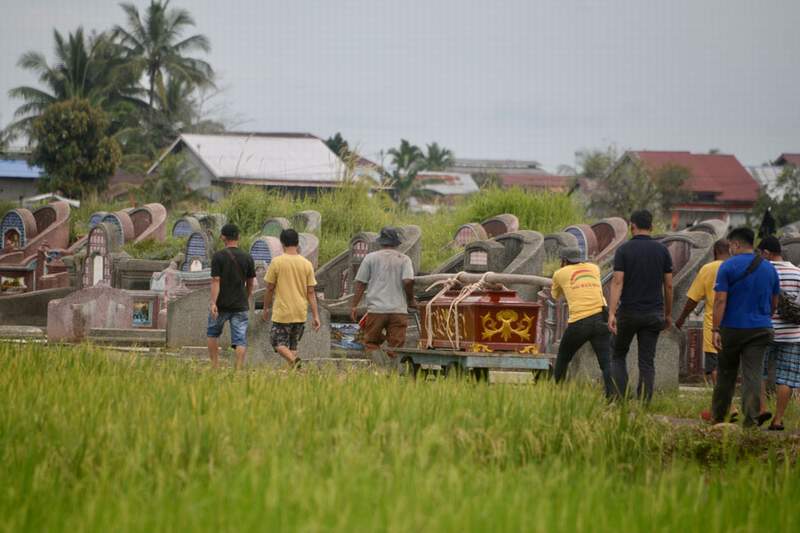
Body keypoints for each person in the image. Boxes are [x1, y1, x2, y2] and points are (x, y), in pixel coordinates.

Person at [710, 227, 780, 427]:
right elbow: (774, 302)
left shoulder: (727, 266)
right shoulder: (769, 268)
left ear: (736, 244)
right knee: (753, 374)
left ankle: (719, 416)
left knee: (726, 373)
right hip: (760, 329)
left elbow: (720, 301)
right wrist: (763, 317)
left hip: (732, 328)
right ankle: (751, 420)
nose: (730, 248)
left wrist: (716, 330)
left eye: (731, 244)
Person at [607, 209, 673, 402]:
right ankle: (644, 404)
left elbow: (617, 282)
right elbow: (668, 285)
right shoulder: (662, 251)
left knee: (618, 354)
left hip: (628, 312)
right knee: (646, 361)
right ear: (651, 227)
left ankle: (620, 399)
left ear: (631, 226)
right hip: (653, 314)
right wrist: (667, 314)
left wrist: (612, 313)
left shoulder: (624, 250)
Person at [551, 246, 613, 397]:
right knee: (606, 362)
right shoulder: (594, 268)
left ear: (564, 261)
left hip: (579, 322)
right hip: (600, 318)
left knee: (563, 357)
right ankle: (613, 397)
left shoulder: (560, 273)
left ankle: (556, 393)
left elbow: (555, 295)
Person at [350, 227, 415, 362]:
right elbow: (408, 281)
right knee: (396, 346)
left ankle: (378, 370)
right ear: (397, 243)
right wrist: (411, 300)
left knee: (371, 343)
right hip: (398, 310)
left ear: (381, 242)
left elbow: (361, 283)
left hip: (376, 310)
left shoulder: (370, 258)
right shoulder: (404, 259)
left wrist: (354, 305)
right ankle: (393, 373)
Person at [757, 236, 800, 431]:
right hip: (792, 333)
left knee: (759, 371)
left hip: (765, 329)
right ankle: (778, 420)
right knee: (786, 377)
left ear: (766, 252)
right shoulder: (797, 273)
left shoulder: (763, 271)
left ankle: (762, 409)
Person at [262, 229, 321, 367]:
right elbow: (311, 292)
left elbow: (270, 288)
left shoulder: (277, 262)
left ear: (282, 243)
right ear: (297, 243)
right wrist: (316, 315)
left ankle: (295, 362)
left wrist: (266, 307)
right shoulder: (307, 264)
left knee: (277, 342)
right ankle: (294, 376)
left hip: (283, 312)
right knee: (293, 345)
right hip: (300, 312)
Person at [675, 239, 730, 384]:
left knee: (715, 366)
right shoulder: (736, 267)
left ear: (715, 252)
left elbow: (693, 299)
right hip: (735, 325)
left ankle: (721, 400)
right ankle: (730, 401)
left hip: (713, 326)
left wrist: (681, 319)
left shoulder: (708, 269)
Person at [208, 223, 256, 369]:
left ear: (223, 237)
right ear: (238, 237)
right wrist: (245, 297)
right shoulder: (247, 257)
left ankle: (215, 366)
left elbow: (216, 281)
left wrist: (213, 303)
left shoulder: (218, 257)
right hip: (240, 304)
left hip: (221, 304)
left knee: (213, 334)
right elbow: (250, 283)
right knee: (240, 339)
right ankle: (238, 369)